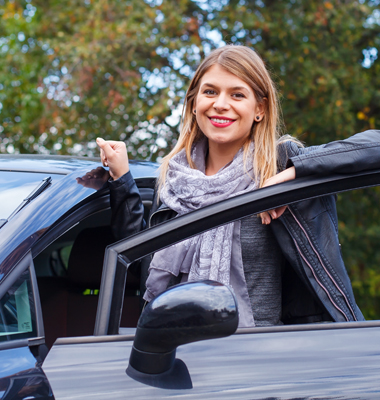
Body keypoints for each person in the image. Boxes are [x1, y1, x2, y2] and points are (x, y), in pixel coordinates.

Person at [96, 45, 380, 328]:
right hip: (176, 350)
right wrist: (122, 181)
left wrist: (293, 174)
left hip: (259, 359)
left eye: (237, 94)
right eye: (210, 92)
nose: (220, 103)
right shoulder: (174, 181)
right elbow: (138, 263)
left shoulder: (279, 165)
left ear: (260, 109)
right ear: (194, 103)